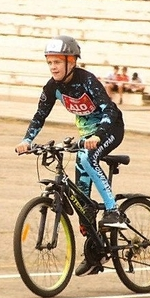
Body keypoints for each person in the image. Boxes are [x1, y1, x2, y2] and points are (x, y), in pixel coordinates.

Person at [15, 35, 126, 277]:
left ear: (71, 62)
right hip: (86, 136)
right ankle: (95, 254)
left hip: (110, 129)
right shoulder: (53, 87)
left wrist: (98, 134)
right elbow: (39, 115)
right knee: (82, 201)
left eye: (57, 62)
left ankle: (113, 210)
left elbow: (108, 109)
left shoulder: (87, 81)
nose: (53, 67)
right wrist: (27, 140)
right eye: (49, 62)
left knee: (87, 158)